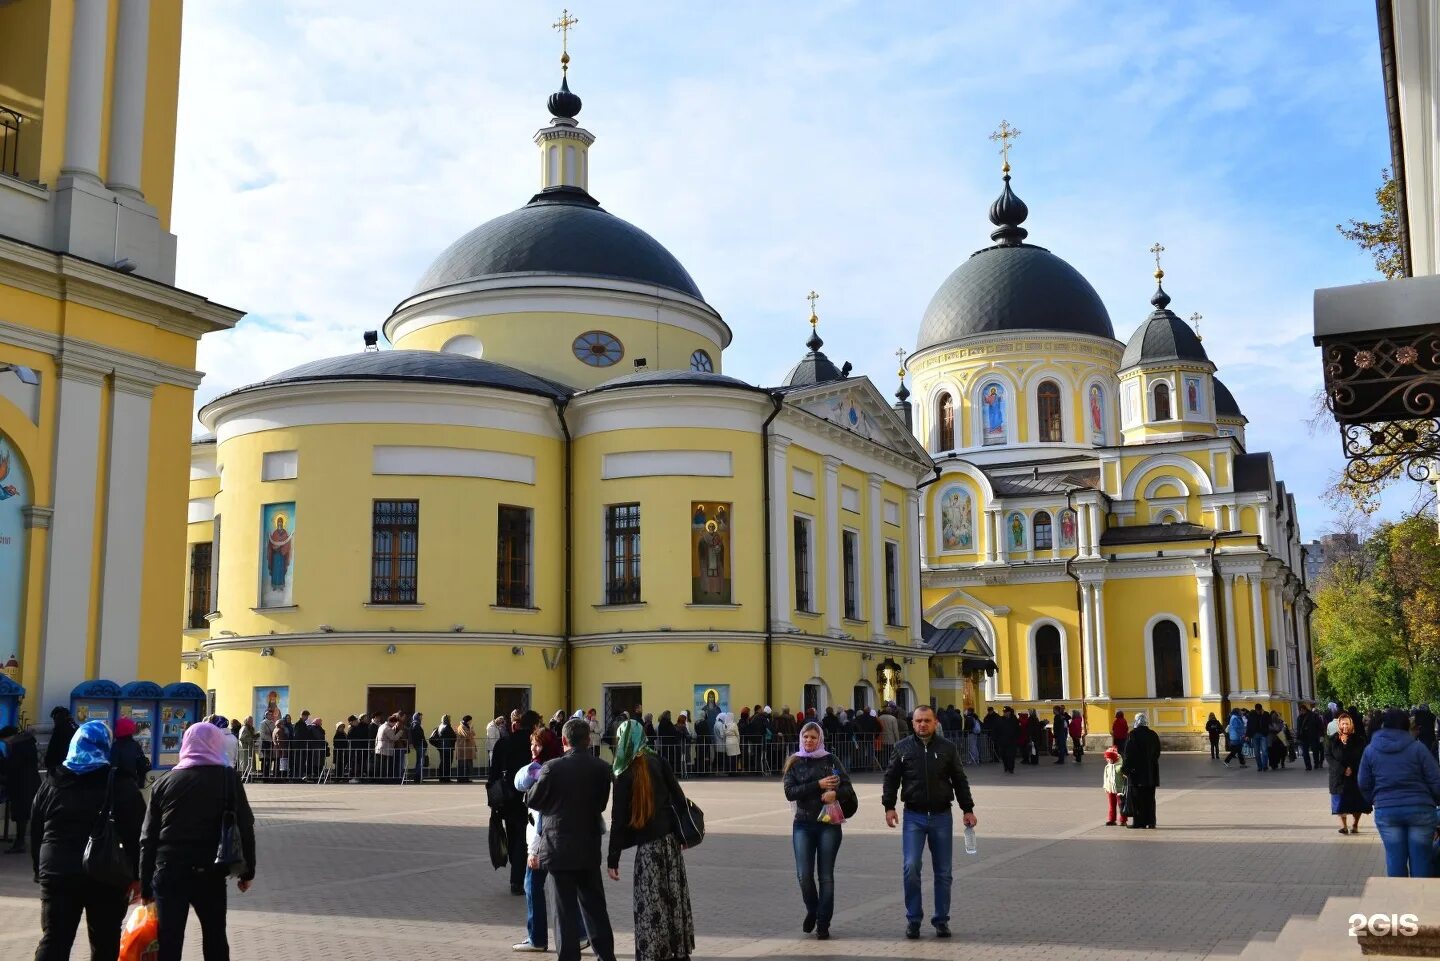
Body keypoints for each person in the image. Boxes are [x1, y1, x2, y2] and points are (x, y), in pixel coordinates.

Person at [141, 720, 257, 961]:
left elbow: (148, 837)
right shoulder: (228, 779)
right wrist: (247, 872)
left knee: (169, 941)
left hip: (169, 870)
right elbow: (245, 826)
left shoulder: (164, 782)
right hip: (211, 870)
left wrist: (144, 885)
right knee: (215, 937)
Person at [29, 720, 144, 961]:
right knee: (105, 941)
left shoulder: (52, 781)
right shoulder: (120, 784)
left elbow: (37, 829)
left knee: (54, 939)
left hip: (57, 871)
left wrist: (40, 869)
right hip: (106, 872)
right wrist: (136, 876)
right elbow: (135, 834)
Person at [526, 717, 618, 961]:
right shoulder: (601, 768)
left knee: (564, 913)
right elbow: (600, 804)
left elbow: (532, 800)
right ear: (588, 740)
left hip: (558, 851)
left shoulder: (553, 767)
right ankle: (606, 956)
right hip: (588, 848)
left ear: (564, 740)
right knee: (595, 908)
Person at [881, 704, 976, 940]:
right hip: (914, 816)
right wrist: (889, 807)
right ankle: (913, 919)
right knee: (911, 867)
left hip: (942, 816)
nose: (922, 724)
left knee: (943, 872)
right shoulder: (902, 748)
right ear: (912, 723)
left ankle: (941, 920)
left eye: (927, 720)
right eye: (918, 721)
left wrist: (968, 809)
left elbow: (959, 780)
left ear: (935, 723)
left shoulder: (948, 748)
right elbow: (891, 779)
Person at [607, 719, 695, 959]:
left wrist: (612, 859)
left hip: (647, 849)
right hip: (669, 844)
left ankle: (653, 951)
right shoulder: (658, 760)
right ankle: (678, 950)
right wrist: (683, 834)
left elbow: (618, 819)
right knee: (673, 899)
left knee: (649, 902)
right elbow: (679, 798)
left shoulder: (623, 771)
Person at [782, 720, 855, 940]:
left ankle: (823, 923)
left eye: (813, 737)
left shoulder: (830, 760)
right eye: (805, 737)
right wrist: (818, 785)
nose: (809, 741)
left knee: (825, 876)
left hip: (828, 824)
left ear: (820, 739)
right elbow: (790, 792)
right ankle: (813, 909)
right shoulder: (794, 762)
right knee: (804, 875)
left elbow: (847, 788)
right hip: (803, 823)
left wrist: (835, 794)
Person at [513, 728, 576, 953]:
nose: (533, 748)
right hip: (561, 839)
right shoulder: (556, 768)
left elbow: (541, 815)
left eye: (538, 744)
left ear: (548, 746)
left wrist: (533, 850)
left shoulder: (544, 773)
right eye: (532, 744)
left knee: (532, 886)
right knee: (564, 888)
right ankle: (580, 934)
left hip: (544, 842)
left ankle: (537, 938)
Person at [1358, 708, 1440, 877]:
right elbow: (1435, 779)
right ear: (1405, 726)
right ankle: (1420, 900)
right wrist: (1434, 800)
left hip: (1387, 811)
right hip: (1421, 809)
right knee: (1421, 858)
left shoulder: (1371, 750)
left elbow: (1363, 782)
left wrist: (1374, 800)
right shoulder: (1418, 748)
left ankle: (1398, 900)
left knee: (1395, 858)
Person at [490, 710, 542, 894]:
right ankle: (517, 879)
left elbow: (493, 772)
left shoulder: (504, 742)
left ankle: (516, 872)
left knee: (512, 833)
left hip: (505, 796)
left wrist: (492, 799)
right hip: (527, 797)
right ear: (535, 726)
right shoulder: (535, 744)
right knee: (523, 837)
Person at [1328, 713, 1371, 834]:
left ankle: (1355, 824)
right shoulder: (1332, 740)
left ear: (1351, 724)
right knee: (1339, 801)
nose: (1345, 726)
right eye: (1343, 724)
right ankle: (1343, 826)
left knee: (1356, 802)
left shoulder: (1359, 740)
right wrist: (1342, 769)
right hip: (1338, 776)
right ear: (1339, 725)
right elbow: (1329, 757)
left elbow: (1363, 756)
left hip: (1355, 775)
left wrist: (1352, 768)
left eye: (1347, 723)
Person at [2, 723, 41, 854]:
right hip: (29, 783)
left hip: (22, 785)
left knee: (21, 815)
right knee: (24, 814)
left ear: (10, 737)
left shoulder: (19, 746)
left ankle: (20, 843)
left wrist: (2, 763)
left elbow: (13, 766)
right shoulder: (26, 743)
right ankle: (21, 842)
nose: (5, 743)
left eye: (4, 740)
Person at [1120, 712, 1161, 829]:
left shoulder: (1133, 735)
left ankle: (1139, 822)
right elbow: (1157, 753)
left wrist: (1125, 769)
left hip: (1136, 774)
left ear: (1136, 721)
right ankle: (1151, 821)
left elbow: (1128, 754)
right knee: (1150, 798)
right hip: (1151, 773)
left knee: (1137, 798)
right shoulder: (1153, 734)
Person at [110, 716, 152, 786]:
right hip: (131, 783)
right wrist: (140, 783)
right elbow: (141, 766)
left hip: (115, 784)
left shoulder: (114, 746)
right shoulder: (135, 746)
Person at [43, 707, 79, 777]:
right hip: (72, 765)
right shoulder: (75, 727)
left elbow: (53, 748)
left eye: (55, 718)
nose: (54, 721)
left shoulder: (59, 729)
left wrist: (48, 762)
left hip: (59, 766)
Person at [1102, 745, 1127, 826]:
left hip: (1120, 789)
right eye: (1107, 758)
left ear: (1114, 758)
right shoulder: (1107, 767)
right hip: (1110, 789)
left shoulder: (1119, 767)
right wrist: (1105, 786)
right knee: (1111, 805)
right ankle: (1112, 819)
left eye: (1110, 758)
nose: (1108, 760)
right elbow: (1105, 777)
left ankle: (1123, 820)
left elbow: (1125, 775)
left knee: (1121, 805)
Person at [430, 714, 457, 783]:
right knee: (447, 763)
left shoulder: (440, 726)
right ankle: (446, 778)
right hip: (448, 747)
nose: (450, 720)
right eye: (449, 719)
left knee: (442, 763)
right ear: (447, 719)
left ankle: (441, 777)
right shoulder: (447, 726)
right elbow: (453, 737)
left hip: (441, 747)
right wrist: (456, 733)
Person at [994, 707, 1019, 774]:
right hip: (1003, 741)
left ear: (1009, 712)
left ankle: (1011, 768)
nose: (1004, 713)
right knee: (1004, 755)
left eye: (1006, 712)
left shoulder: (1014, 720)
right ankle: (1006, 767)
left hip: (1012, 741)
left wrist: (1016, 739)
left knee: (1011, 756)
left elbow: (1017, 730)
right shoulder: (1001, 719)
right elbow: (997, 729)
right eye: (1004, 712)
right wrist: (997, 739)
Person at [1246, 703, 1270, 772]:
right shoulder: (1252, 715)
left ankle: (1265, 766)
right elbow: (1249, 725)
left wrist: (1263, 714)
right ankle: (1259, 766)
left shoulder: (1266, 714)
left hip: (1263, 735)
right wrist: (1247, 735)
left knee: (1264, 751)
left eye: (1259, 710)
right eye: (1257, 710)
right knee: (1256, 752)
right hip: (1254, 735)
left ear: (1261, 709)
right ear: (1255, 709)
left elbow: (1268, 722)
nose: (1258, 712)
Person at [455, 715, 477, 783]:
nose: (471, 722)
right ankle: (461, 778)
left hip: (468, 749)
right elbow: (467, 736)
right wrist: (471, 730)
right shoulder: (461, 727)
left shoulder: (467, 727)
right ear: (467, 720)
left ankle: (466, 778)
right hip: (463, 749)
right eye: (470, 720)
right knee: (462, 764)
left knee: (467, 765)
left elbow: (473, 734)